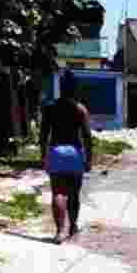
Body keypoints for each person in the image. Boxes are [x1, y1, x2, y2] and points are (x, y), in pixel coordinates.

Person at [41, 68, 93, 243]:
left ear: (61, 88)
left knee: (58, 192)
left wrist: (43, 156)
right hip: (74, 153)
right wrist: (89, 160)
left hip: (56, 151)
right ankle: (72, 226)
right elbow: (87, 136)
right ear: (74, 89)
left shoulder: (50, 108)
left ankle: (60, 232)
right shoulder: (80, 109)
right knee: (74, 194)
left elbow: (43, 135)